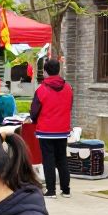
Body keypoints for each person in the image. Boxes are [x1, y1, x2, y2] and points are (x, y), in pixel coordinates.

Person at [30, 59, 73, 198]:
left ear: (45, 72)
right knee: (62, 159)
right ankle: (66, 190)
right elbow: (69, 106)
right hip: (63, 130)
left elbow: (34, 111)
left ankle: (51, 191)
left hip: (46, 130)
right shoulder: (68, 88)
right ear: (58, 70)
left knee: (48, 160)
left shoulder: (41, 89)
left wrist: (34, 120)